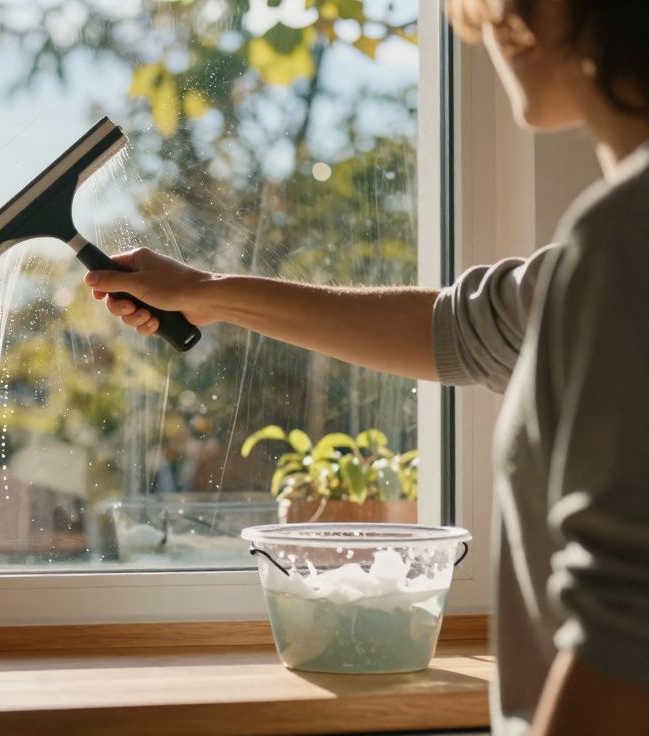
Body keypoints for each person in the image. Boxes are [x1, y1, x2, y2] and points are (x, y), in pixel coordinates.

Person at [84, 1, 649, 733]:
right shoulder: (604, 254)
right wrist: (204, 294)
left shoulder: (626, 240)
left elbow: (627, 648)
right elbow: (458, 327)